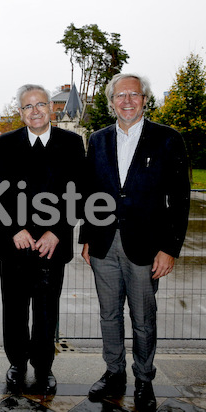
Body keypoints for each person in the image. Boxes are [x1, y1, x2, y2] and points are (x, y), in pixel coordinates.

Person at [80, 73, 190, 411]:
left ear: (145, 99)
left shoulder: (167, 139)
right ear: (111, 102)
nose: (127, 101)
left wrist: (170, 248)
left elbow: (180, 198)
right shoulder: (98, 140)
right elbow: (91, 194)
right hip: (103, 244)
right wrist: (86, 237)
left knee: (144, 318)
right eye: (120, 96)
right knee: (109, 314)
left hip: (146, 247)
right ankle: (114, 372)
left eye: (134, 95)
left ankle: (144, 379)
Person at [0, 84, 85, 395]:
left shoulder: (70, 143)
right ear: (21, 112)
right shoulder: (6, 143)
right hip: (15, 244)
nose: (36, 111)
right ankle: (17, 363)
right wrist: (16, 228)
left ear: (51, 108)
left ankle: (44, 367)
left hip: (52, 246)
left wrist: (57, 232)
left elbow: (79, 192)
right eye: (28, 106)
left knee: (45, 310)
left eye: (41, 104)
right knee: (14, 308)